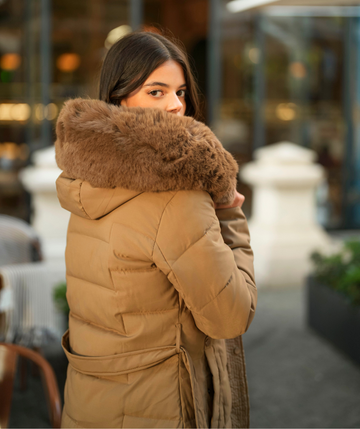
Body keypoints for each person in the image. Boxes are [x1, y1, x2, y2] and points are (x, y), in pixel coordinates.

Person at [55, 30, 257, 429]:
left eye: (180, 92)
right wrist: (228, 210)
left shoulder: (87, 181)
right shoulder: (176, 194)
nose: (175, 106)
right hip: (159, 409)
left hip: (92, 404)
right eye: (156, 92)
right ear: (119, 97)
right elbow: (231, 316)